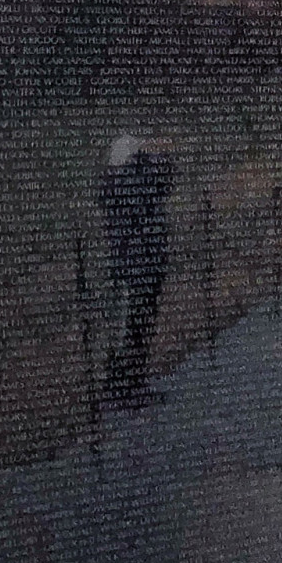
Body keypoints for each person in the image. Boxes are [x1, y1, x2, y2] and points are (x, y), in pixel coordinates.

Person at [98, 134, 174, 406]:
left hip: (137, 264)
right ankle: (129, 387)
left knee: (131, 329)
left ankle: (123, 384)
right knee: (133, 329)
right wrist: (155, 160)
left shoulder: (116, 183)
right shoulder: (129, 182)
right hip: (140, 265)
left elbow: (164, 182)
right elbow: (159, 182)